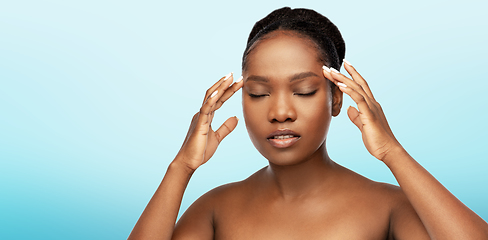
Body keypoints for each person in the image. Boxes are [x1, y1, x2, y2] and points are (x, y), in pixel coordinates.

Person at [128, 7, 488, 239]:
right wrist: (182, 167)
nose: (280, 112)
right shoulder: (214, 210)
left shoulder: (389, 208)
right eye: (257, 93)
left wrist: (392, 151)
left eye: (302, 91)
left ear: (336, 98)